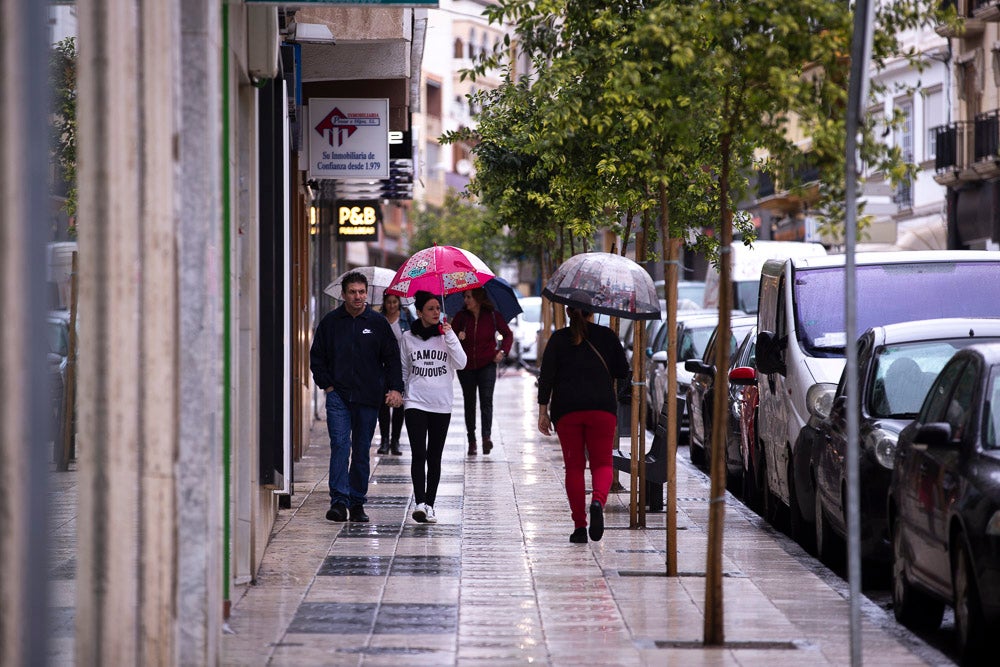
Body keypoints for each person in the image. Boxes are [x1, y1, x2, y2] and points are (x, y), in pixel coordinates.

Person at [310, 271, 404, 523]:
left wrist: (395, 388)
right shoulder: (330, 323)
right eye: (352, 292)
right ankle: (339, 502)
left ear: (367, 293)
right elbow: (317, 358)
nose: (358, 296)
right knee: (340, 446)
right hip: (338, 396)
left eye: (362, 292)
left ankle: (357, 502)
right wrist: (327, 386)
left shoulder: (377, 323)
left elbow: (392, 358)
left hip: (368, 398)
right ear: (343, 295)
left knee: (362, 450)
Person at [537, 291, 628, 544]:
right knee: (602, 464)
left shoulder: (558, 340)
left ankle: (579, 526)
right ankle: (598, 500)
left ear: (567, 312)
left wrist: (543, 411)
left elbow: (546, 378)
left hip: (567, 411)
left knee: (574, 468)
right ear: (592, 311)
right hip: (602, 408)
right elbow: (623, 371)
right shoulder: (607, 337)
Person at [399, 291, 467, 524]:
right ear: (419, 312)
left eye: (438, 308)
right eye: (430, 308)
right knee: (418, 454)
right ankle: (419, 503)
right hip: (416, 403)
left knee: (434, 456)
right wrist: (404, 394)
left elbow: (461, 362)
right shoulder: (407, 337)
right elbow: (404, 369)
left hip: (441, 404)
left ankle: (430, 504)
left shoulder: (446, 335)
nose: (436, 312)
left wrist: (450, 337)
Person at [451, 287, 513, 456]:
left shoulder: (492, 316)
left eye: (469, 297)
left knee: (486, 401)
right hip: (466, 367)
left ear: (478, 298)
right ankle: (472, 440)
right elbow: (449, 338)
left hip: (487, 364)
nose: (466, 300)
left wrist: (502, 352)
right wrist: (457, 336)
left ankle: (486, 437)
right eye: (465, 297)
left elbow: (508, 334)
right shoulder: (460, 317)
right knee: (469, 403)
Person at [377, 293, 413, 456]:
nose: (392, 305)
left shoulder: (406, 318)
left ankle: (395, 440)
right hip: (383, 367)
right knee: (383, 404)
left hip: (402, 367)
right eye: (389, 302)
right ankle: (384, 440)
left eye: (394, 302)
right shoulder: (378, 319)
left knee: (399, 404)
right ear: (384, 303)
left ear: (399, 303)